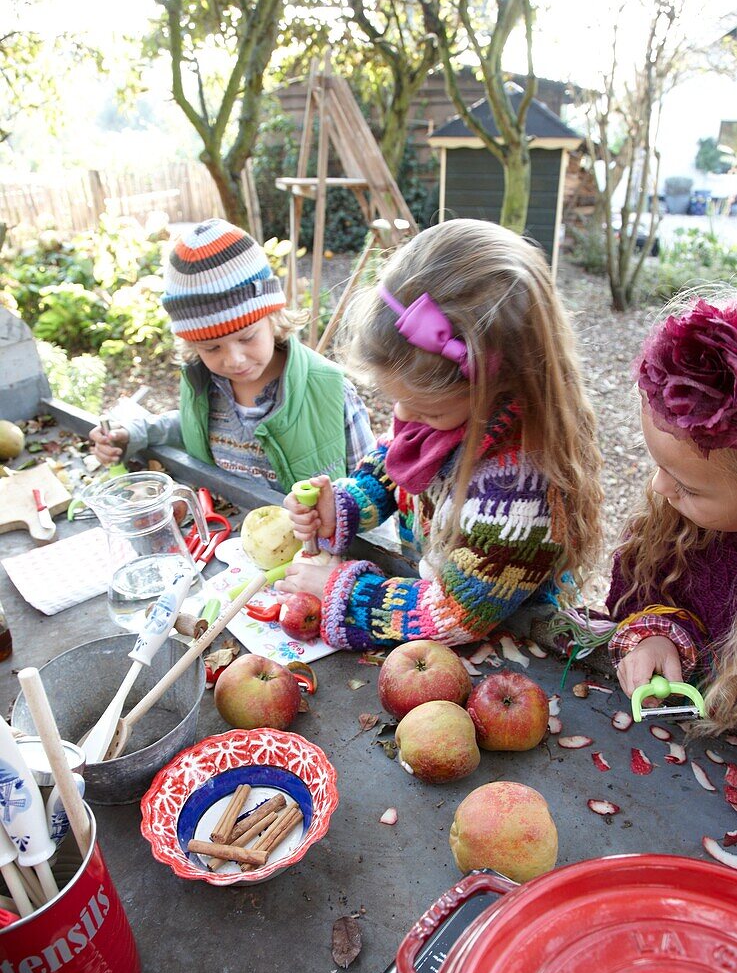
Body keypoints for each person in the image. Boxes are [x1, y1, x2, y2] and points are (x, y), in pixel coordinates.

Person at [275, 218, 604, 650]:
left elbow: (454, 614)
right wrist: (344, 505)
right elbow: (398, 464)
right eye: (399, 400)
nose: (402, 416)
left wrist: (342, 592)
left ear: (495, 385)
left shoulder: (520, 489)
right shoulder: (449, 412)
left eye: (426, 410)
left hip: (517, 643)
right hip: (429, 587)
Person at [89, 219, 374, 490]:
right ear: (192, 344)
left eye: (247, 337)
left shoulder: (331, 391)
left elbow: (371, 484)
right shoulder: (204, 384)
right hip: (227, 536)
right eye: (211, 347)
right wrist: (133, 433)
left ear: (273, 317)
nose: (234, 359)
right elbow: (192, 428)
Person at [606, 295, 737, 736]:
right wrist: (659, 634)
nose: (660, 488)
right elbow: (641, 589)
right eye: (657, 466)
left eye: (687, 487)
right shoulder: (676, 526)